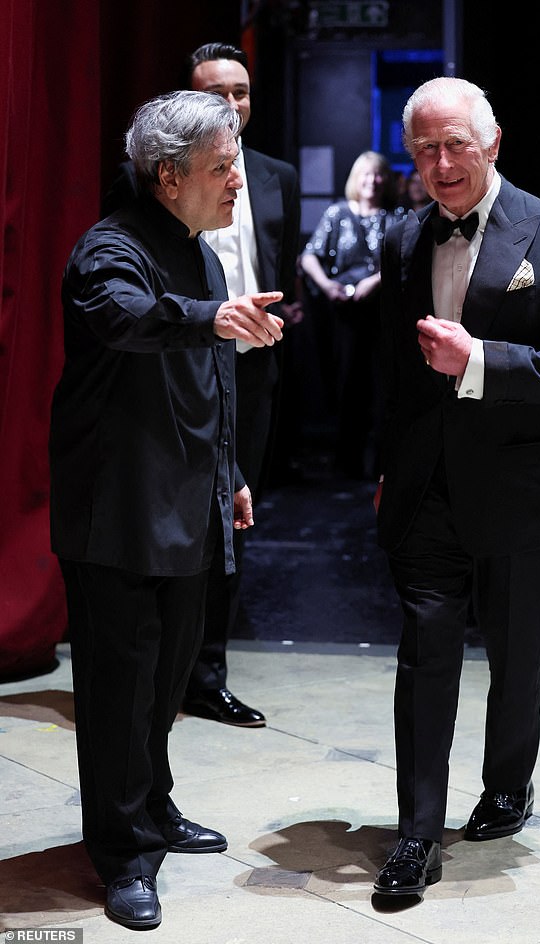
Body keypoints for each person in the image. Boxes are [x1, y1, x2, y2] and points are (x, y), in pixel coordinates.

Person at [49, 90, 284, 929]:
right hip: (117, 513)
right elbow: (129, 319)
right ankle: (119, 854)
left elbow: (210, 379)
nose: (236, 184)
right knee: (118, 693)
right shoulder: (108, 251)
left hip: (191, 501)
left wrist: (234, 474)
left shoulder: (206, 255)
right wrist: (210, 318)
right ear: (166, 175)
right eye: (222, 169)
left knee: (167, 684)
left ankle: (152, 807)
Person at [372, 76, 540, 898]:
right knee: (425, 650)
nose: (441, 164)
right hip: (428, 485)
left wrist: (477, 361)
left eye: (455, 146)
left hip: (520, 486)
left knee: (515, 652)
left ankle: (509, 783)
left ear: (493, 142)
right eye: (425, 149)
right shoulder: (402, 239)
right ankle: (415, 835)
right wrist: (385, 467)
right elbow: (393, 377)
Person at [104, 42, 302, 728]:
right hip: (179, 356)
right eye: (214, 93)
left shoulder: (273, 176)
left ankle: (205, 671)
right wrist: (215, 318)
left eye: (240, 93)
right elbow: (126, 307)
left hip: (247, 361)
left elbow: (279, 262)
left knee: (230, 522)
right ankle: (164, 682)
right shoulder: (129, 222)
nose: (231, 105)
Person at [300, 151, 405, 479]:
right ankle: (346, 463)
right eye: (366, 175)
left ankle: (383, 465)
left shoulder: (396, 216)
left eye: (378, 175)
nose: (372, 181)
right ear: (355, 179)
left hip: (382, 312)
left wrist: (374, 282)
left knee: (383, 388)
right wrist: (327, 285)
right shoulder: (337, 213)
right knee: (347, 385)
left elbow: (406, 260)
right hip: (344, 313)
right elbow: (309, 256)